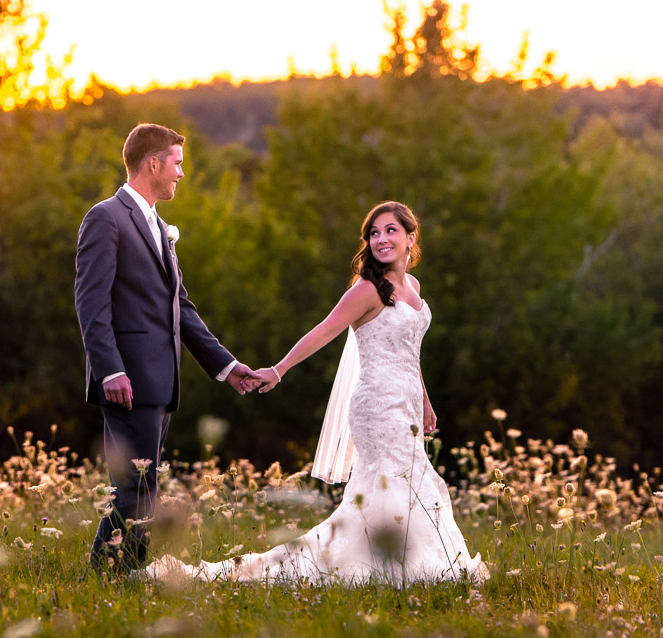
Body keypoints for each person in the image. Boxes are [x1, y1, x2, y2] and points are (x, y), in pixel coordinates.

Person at [148, 201, 488, 585]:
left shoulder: (413, 286)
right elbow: (325, 330)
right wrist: (279, 369)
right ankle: (390, 567)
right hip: (376, 404)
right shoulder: (367, 290)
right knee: (392, 481)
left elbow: (410, 349)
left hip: (406, 401)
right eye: (374, 233)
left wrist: (424, 399)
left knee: (411, 480)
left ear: (411, 238)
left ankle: (402, 560)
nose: (380, 239)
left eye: (390, 230)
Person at [74, 123, 261, 574]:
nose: (181, 172)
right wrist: (110, 369)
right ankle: (107, 577)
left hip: (159, 381)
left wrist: (227, 365)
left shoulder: (158, 226)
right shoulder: (107, 217)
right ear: (152, 163)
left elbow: (181, 309)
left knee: (144, 487)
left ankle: (123, 576)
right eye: (176, 162)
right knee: (134, 488)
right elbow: (91, 302)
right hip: (127, 380)